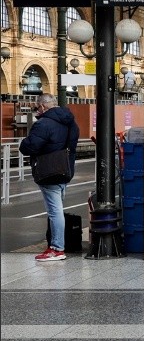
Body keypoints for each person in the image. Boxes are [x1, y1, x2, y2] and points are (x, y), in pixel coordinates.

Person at [19, 93, 79, 262]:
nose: (38, 110)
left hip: (48, 172)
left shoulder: (43, 124)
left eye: (38, 107)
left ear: (43, 106)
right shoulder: (71, 122)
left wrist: (23, 142)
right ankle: (54, 244)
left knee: (55, 212)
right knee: (57, 209)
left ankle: (57, 249)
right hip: (65, 170)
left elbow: (30, 146)